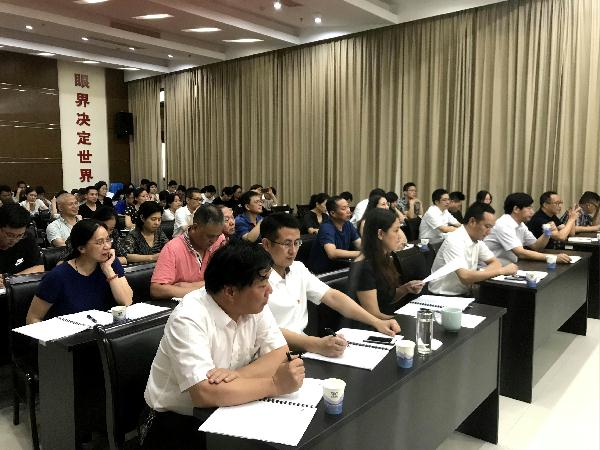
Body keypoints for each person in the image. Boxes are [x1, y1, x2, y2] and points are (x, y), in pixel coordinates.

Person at [142, 240, 303, 449]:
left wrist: (237, 375)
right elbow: (203, 393)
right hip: (177, 422)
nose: (270, 291)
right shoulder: (189, 317)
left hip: (230, 407)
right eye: (262, 285)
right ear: (230, 292)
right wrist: (275, 384)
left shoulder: (253, 305)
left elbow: (280, 352)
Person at [262, 213, 400, 357]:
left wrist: (376, 322)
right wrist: (316, 344)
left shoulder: (298, 268)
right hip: (273, 354)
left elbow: (332, 296)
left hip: (303, 348)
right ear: (266, 244)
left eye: (296, 243)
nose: (293, 250)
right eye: (286, 244)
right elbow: (269, 330)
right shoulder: (257, 280)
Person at [26, 220, 133, 323]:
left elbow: (127, 302)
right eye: (99, 242)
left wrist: (108, 270)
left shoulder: (111, 263)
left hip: (106, 330)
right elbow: (33, 318)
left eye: (108, 240)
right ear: (81, 248)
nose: (107, 246)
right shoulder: (58, 276)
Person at [428, 203, 518, 296]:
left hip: (464, 294)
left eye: (491, 228)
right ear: (472, 221)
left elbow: (495, 262)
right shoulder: (455, 240)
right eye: (487, 226)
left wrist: (480, 275)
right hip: (443, 297)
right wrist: (501, 271)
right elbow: (465, 277)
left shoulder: (477, 239)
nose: (489, 232)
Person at [350, 209, 422, 318]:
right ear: (380, 234)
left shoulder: (384, 257)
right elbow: (373, 315)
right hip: (374, 324)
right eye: (396, 230)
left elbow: (386, 298)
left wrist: (406, 288)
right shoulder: (363, 267)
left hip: (387, 319)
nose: (400, 236)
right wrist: (405, 320)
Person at [151, 205, 225, 300]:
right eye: (210, 236)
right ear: (195, 227)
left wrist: (188, 286)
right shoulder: (173, 248)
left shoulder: (220, 240)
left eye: (217, 235)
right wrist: (208, 287)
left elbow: (228, 279)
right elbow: (156, 290)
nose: (214, 241)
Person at [484, 193, 571, 264]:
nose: (532, 212)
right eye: (529, 208)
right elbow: (521, 253)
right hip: (490, 270)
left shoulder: (521, 224)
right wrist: (553, 257)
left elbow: (537, 246)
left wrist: (547, 232)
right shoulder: (503, 224)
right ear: (516, 209)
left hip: (510, 266)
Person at [308, 196, 361, 274]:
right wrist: (361, 254)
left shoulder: (348, 224)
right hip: (323, 272)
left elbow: (359, 244)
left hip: (340, 267)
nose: (349, 211)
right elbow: (332, 253)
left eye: (348, 207)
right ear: (333, 213)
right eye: (344, 208)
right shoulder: (326, 227)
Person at [0, 204, 44, 288]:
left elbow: (39, 268)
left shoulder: (27, 237)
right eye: (10, 235)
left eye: (20, 235)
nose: (14, 240)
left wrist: (9, 280)